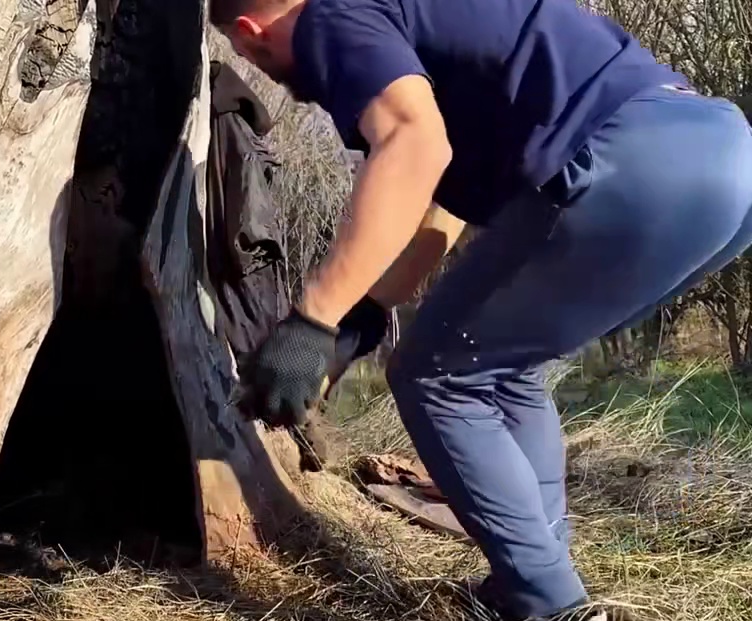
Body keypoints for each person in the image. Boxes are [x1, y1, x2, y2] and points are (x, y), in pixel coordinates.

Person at [214, 0, 752, 619]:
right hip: (716, 159)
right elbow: (439, 196)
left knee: (433, 374)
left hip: (632, 161)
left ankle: (550, 606)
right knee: (505, 371)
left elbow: (413, 146)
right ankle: (530, 575)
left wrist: (311, 321)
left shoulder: (332, 15)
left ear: (249, 36)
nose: (266, 68)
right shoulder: (422, 26)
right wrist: (362, 316)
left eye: (247, 53)